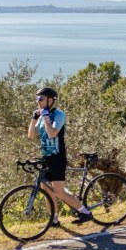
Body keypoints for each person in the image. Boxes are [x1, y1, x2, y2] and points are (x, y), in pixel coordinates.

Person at [28, 87, 93, 224]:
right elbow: (31, 135)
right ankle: (54, 219)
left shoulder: (59, 115)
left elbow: (52, 133)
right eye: (36, 99)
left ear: (50, 100)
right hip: (46, 157)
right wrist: (35, 119)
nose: (37, 102)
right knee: (47, 190)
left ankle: (85, 212)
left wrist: (45, 117)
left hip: (57, 157)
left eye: (40, 99)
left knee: (59, 192)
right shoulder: (41, 116)